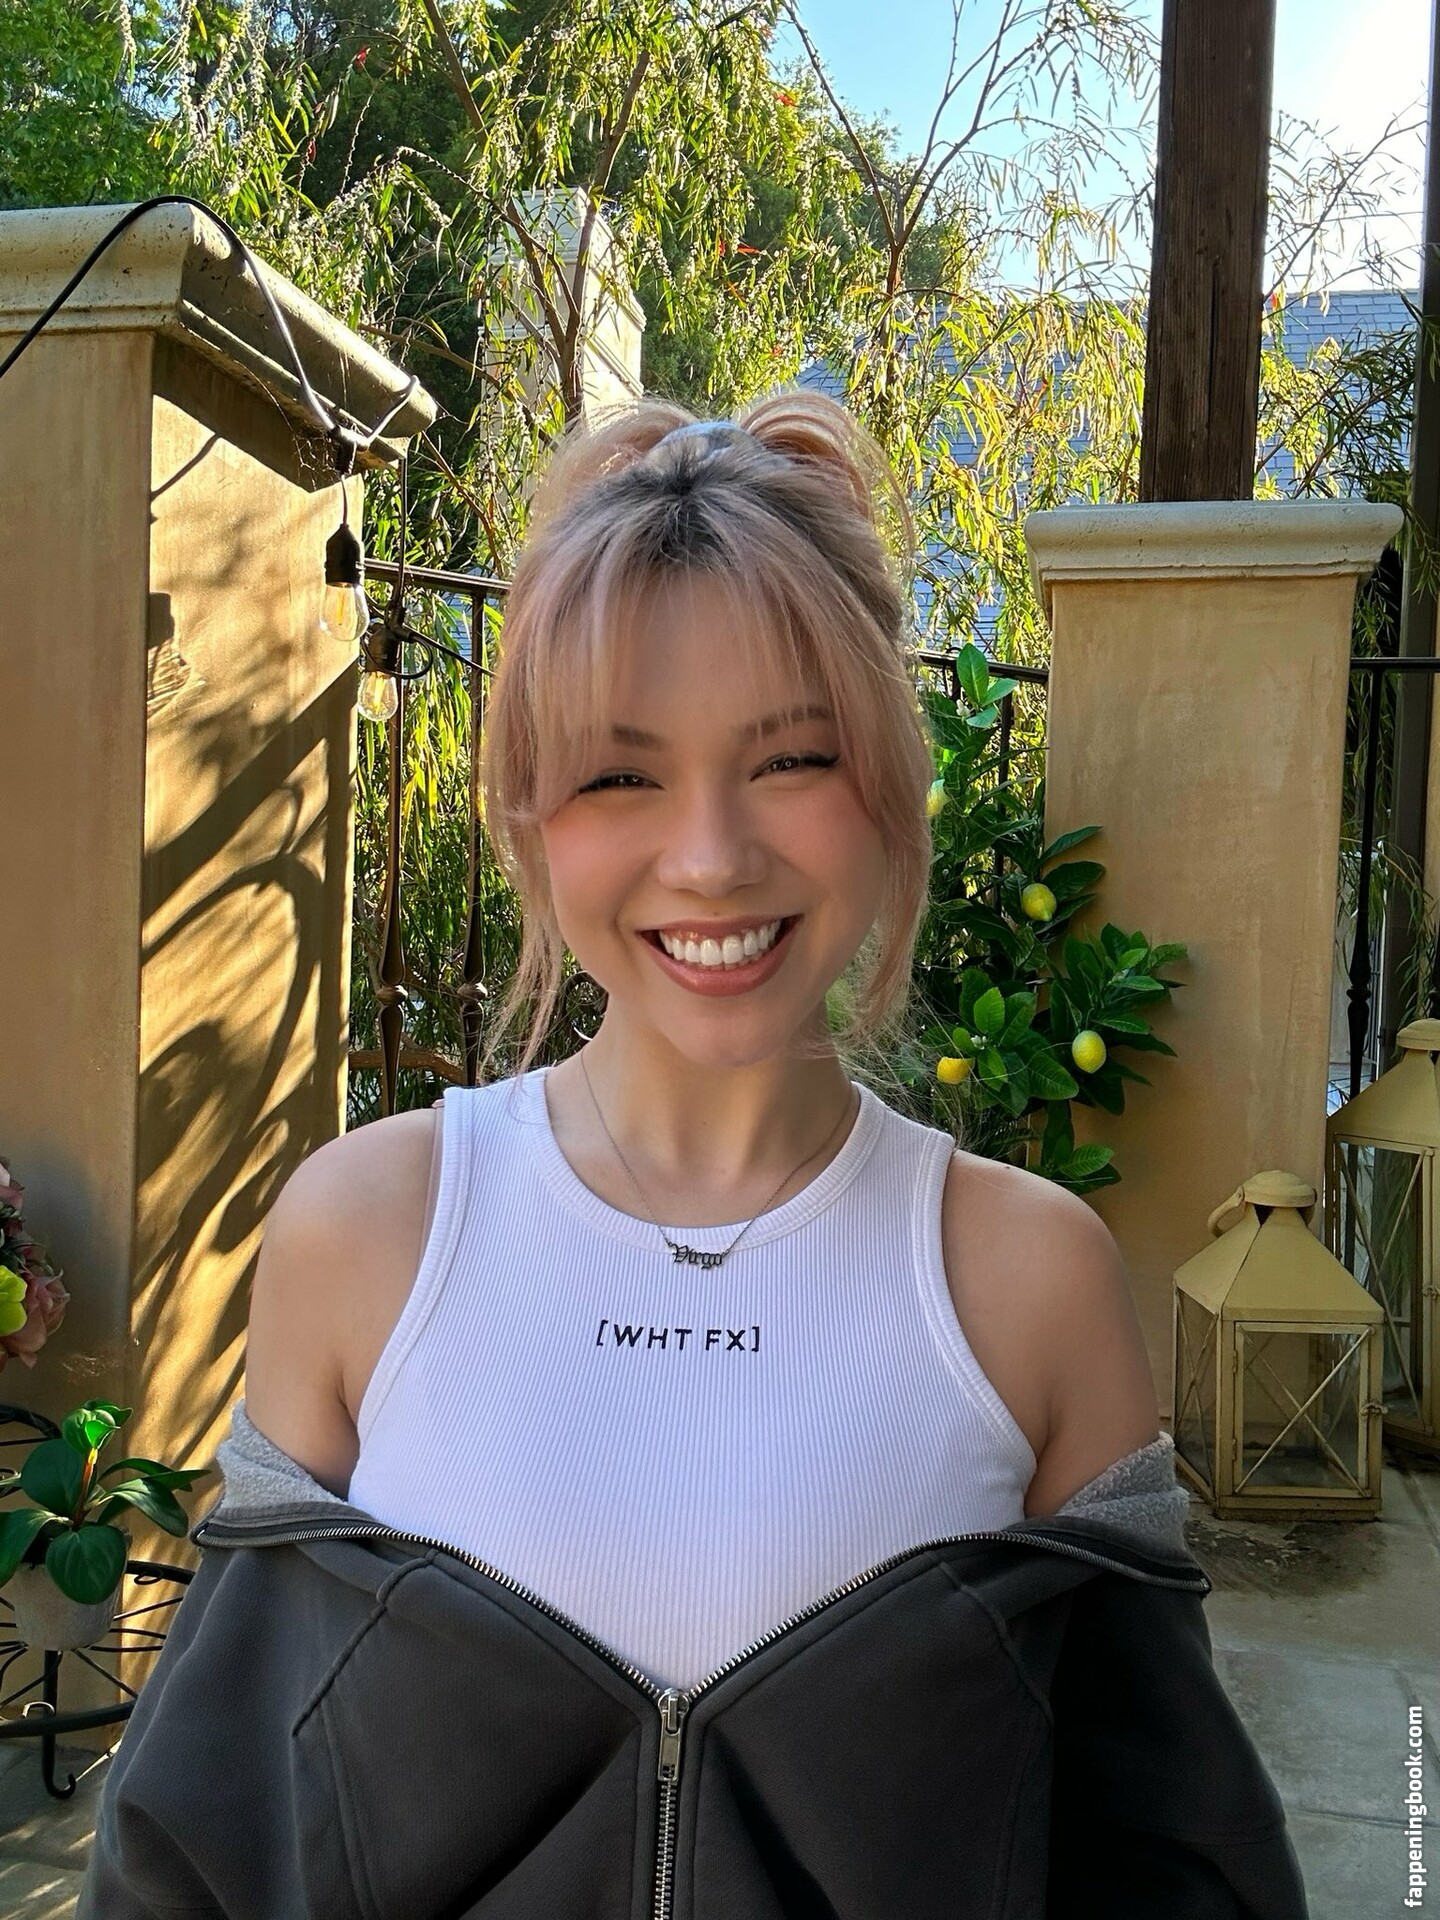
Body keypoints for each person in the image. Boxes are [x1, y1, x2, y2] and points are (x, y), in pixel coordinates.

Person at [80, 393, 1308, 1919]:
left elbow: (1171, 1870)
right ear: (530, 819)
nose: (713, 856)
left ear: (888, 783)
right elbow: (203, 1847)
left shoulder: (1027, 1277)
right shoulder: (366, 1232)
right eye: (620, 775)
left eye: (792, 758)